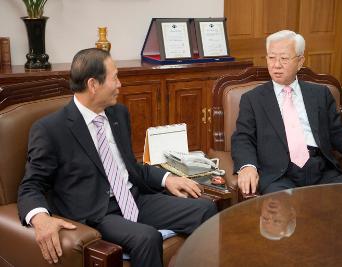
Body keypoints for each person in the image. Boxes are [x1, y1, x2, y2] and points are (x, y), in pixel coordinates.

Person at [17, 48, 217, 267]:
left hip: (134, 198)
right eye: (115, 78)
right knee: (147, 237)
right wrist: (40, 218)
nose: (120, 84)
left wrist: (167, 178)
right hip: (97, 213)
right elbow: (30, 186)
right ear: (93, 85)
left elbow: (130, 167)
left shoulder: (118, 114)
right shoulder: (50, 129)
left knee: (205, 209)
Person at [231, 30, 342, 195]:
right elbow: (243, 137)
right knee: (281, 212)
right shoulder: (253, 99)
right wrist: (247, 166)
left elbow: (340, 134)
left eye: (284, 58)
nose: (276, 65)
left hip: (321, 170)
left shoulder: (319, 94)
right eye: (271, 58)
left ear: (300, 62)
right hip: (279, 175)